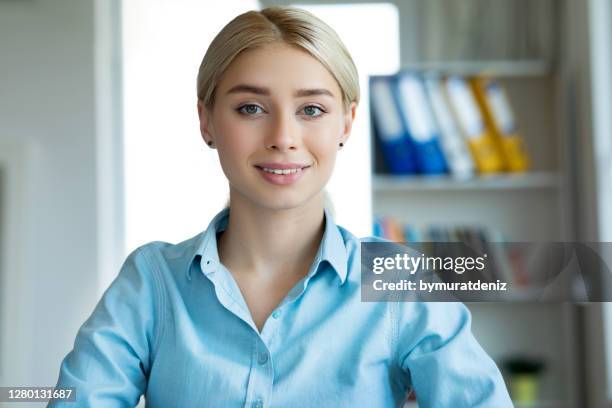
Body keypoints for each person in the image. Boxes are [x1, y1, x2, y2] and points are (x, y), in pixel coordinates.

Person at [49, 6, 513, 407]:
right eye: (250, 108)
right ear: (206, 121)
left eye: (311, 110)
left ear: (347, 123)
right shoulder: (152, 283)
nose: (283, 139)